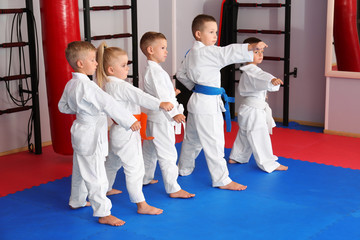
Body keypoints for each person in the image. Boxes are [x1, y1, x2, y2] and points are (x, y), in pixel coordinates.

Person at [176, 14, 268, 191]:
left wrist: (196, 87)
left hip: (196, 102)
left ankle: (184, 169)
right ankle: (221, 179)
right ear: (198, 34)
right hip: (207, 105)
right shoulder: (208, 52)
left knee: (192, 139)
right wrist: (251, 46)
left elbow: (180, 74)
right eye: (210, 32)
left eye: (216, 32)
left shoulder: (190, 53)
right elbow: (229, 52)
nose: (215, 36)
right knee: (214, 142)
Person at [58, 41, 139, 226]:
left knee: (80, 170)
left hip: (80, 132)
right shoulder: (88, 87)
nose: (96, 63)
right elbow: (109, 104)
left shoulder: (71, 84)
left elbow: (62, 107)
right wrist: (130, 120)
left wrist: (82, 110)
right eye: (93, 60)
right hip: (91, 135)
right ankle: (103, 212)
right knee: (97, 175)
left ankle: (77, 201)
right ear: (80, 63)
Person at [95, 41, 174, 215]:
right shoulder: (121, 86)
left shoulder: (107, 84)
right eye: (123, 66)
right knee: (135, 168)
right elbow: (141, 96)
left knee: (112, 163)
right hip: (127, 132)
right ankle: (141, 204)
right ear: (110, 69)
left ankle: (104, 190)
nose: (127, 69)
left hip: (117, 132)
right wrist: (161, 103)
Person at [140, 31, 195, 199]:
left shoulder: (154, 70)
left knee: (150, 150)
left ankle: (145, 177)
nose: (166, 51)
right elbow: (162, 98)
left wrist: (173, 94)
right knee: (168, 153)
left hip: (155, 117)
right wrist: (174, 114)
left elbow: (160, 94)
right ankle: (173, 188)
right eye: (163, 48)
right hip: (162, 118)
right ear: (150, 50)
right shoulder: (155, 72)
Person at [229, 37, 288, 172]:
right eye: (256, 51)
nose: (260, 54)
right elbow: (263, 77)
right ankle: (269, 163)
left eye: (261, 51)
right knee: (260, 136)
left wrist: (266, 88)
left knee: (245, 134)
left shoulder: (247, 70)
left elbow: (256, 84)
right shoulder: (253, 71)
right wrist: (272, 80)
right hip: (254, 111)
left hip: (248, 109)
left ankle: (237, 156)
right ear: (246, 52)